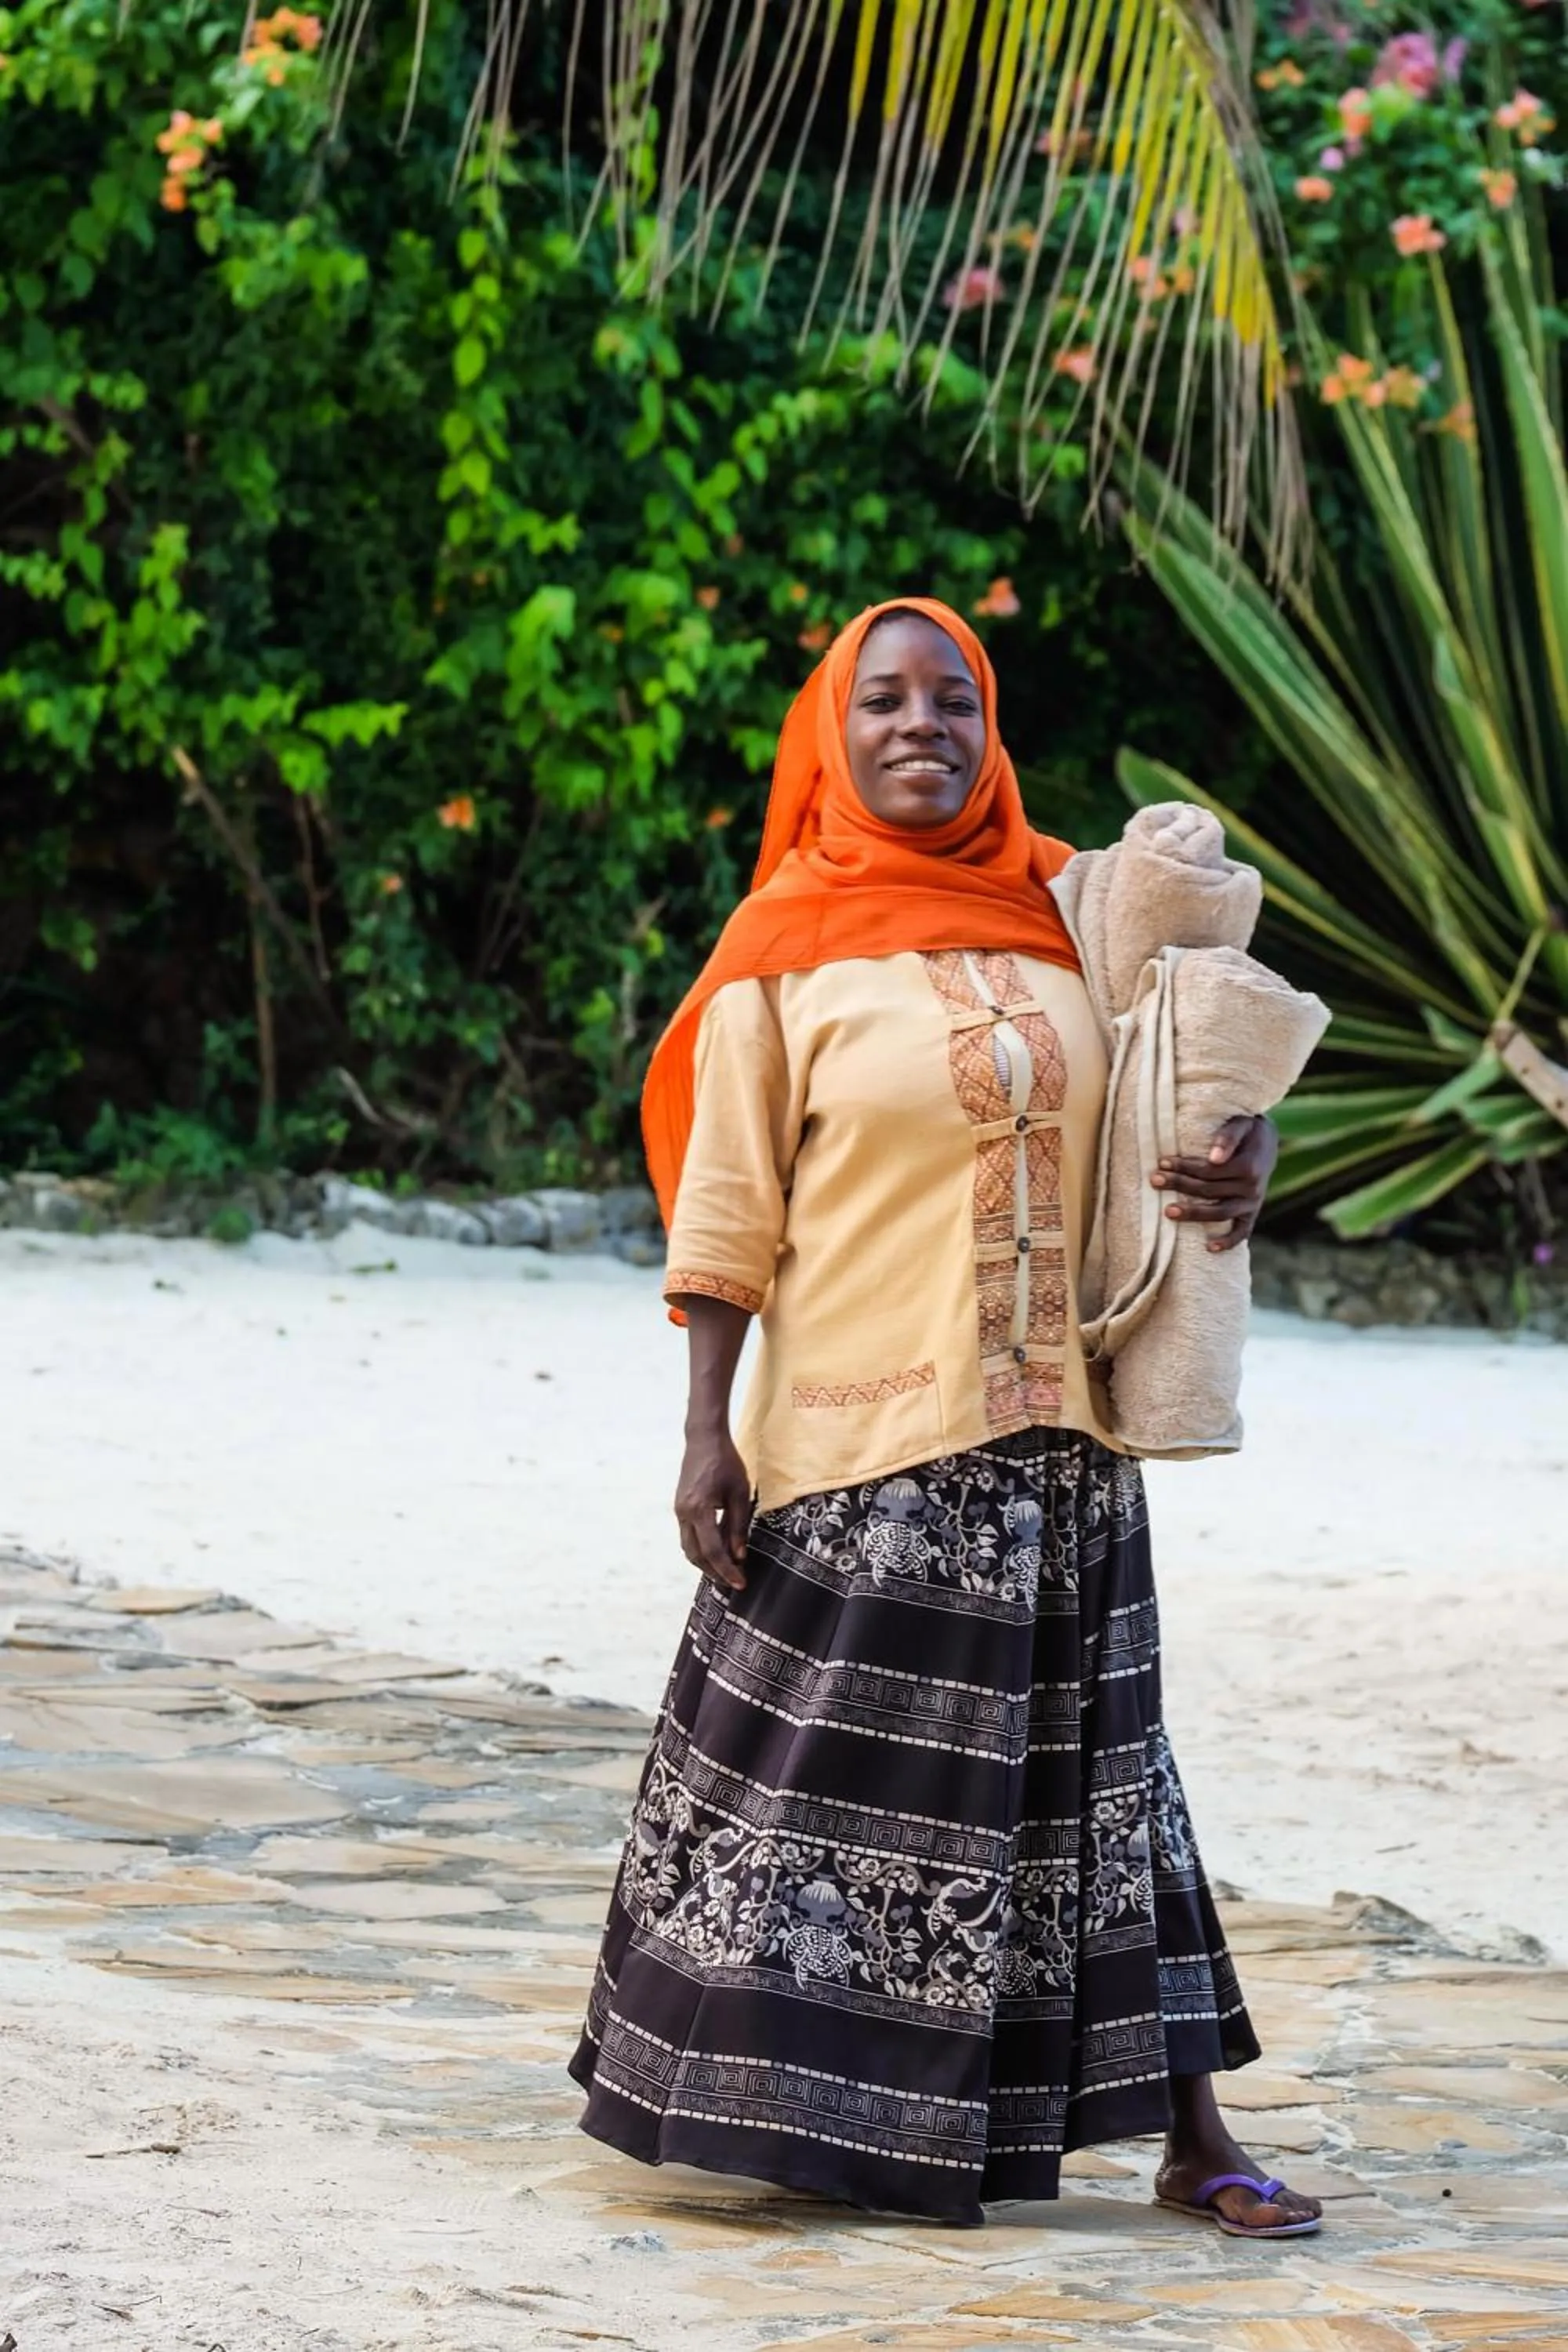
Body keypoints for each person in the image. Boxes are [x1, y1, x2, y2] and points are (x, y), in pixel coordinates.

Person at [569, 596, 1323, 2238]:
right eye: (887, 703)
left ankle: (1193, 2138)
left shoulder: (1077, 919)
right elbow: (726, 1211)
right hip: (859, 1445)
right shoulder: (787, 951)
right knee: (798, 1789)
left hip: (1060, 1440)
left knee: (1102, 1795)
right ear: (829, 738)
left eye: (955, 704)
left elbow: (1185, 1078)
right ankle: (778, 2111)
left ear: (989, 734)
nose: (923, 727)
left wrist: (1244, 1152)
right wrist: (704, 1428)